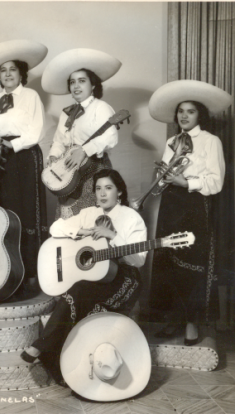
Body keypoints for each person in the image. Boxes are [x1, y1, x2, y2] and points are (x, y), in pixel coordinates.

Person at [20, 169, 147, 384]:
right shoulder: (88, 213)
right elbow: (56, 227)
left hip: (124, 278)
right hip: (95, 277)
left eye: (108, 188)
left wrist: (113, 236)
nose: (103, 193)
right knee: (78, 291)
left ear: (120, 193)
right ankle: (60, 365)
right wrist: (84, 232)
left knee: (77, 293)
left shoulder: (131, 217)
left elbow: (139, 260)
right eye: (98, 188)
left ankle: (43, 347)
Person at [148, 80, 230, 345]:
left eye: (190, 111)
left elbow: (216, 182)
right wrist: (160, 177)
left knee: (191, 264)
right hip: (171, 204)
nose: (183, 115)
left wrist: (187, 183)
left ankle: (191, 323)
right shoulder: (172, 140)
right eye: (181, 111)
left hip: (195, 205)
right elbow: (163, 180)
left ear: (200, 115)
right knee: (167, 261)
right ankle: (173, 320)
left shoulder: (210, 141)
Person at [0, 39, 49, 295]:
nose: (7, 74)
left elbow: (36, 131)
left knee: (27, 213)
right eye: (3, 71)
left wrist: (10, 145)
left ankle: (32, 275)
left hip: (24, 156)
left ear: (21, 73)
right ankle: (9, 271)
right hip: (0, 158)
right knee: (3, 214)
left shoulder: (31, 96)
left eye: (12, 69)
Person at [42, 49, 121, 220]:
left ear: (93, 85)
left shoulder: (101, 107)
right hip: (68, 170)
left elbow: (111, 137)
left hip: (94, 169)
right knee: (67, 220)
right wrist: (54, 157)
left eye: (82, 81)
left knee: (91, 219)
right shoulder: (67, 113)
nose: (76, 86)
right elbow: (58, 141)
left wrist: (84, 150)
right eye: (72, 82)